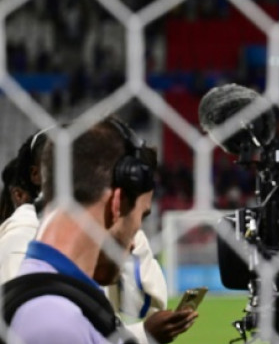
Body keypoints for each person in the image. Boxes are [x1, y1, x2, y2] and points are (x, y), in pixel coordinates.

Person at [1, 118, 198, 343]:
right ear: (116, 204)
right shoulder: (53, 321)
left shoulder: (56, 288)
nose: (134, 241)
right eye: (139, 217)